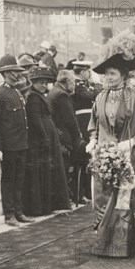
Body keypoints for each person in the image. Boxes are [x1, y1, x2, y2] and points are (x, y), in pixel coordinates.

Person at [87, 31, 135, 258]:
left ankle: (122, 245)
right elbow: (94, 124)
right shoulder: (99, 98)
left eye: (113, 73)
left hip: (127, 156)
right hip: (104, 156)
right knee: (104, 198)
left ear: (123, 74)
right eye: (106, 74)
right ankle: (103, 243)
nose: (108, 77)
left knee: (125, 199)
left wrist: (132, 142)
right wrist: (92, 142)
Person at [0, 55, 33, 226]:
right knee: (8, 181)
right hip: (8, 146)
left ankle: (19, 212)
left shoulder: (16, 92)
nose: (18, 74)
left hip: (20, 144)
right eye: (14, 71)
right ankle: (9, 214)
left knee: (19, 180)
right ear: (6, 73)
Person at [23, 66, 71, 217]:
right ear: (33, 83)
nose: (43, 85)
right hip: (39, 139)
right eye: (40, 82)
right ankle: (40, 207)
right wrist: (44, 137)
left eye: (45, 82)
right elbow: (35, 120)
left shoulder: (39, 96)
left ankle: (48, 205)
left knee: (47, 171)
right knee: (41, 172)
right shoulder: (33, 98)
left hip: (47, 135)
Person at [47, 69, 87, 205]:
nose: (75, 84)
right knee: (74, 166)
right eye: (73, 81)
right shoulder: (62, 95)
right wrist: (78, 138)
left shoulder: (54, 92)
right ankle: (76, 196)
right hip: (64, 137)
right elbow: (70, 120)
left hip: (58, 135)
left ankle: (73, 196)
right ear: (67, 81)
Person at [69, 59, 98, 204]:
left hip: (87, 122)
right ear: (82, 71)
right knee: (82, 160)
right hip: (82, 123)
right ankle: (80, 193)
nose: (89, 74)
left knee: (88, 159)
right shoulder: (77, 85)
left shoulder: (85, 85)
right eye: (88, 71)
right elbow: (91, 96)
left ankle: (86, 192)